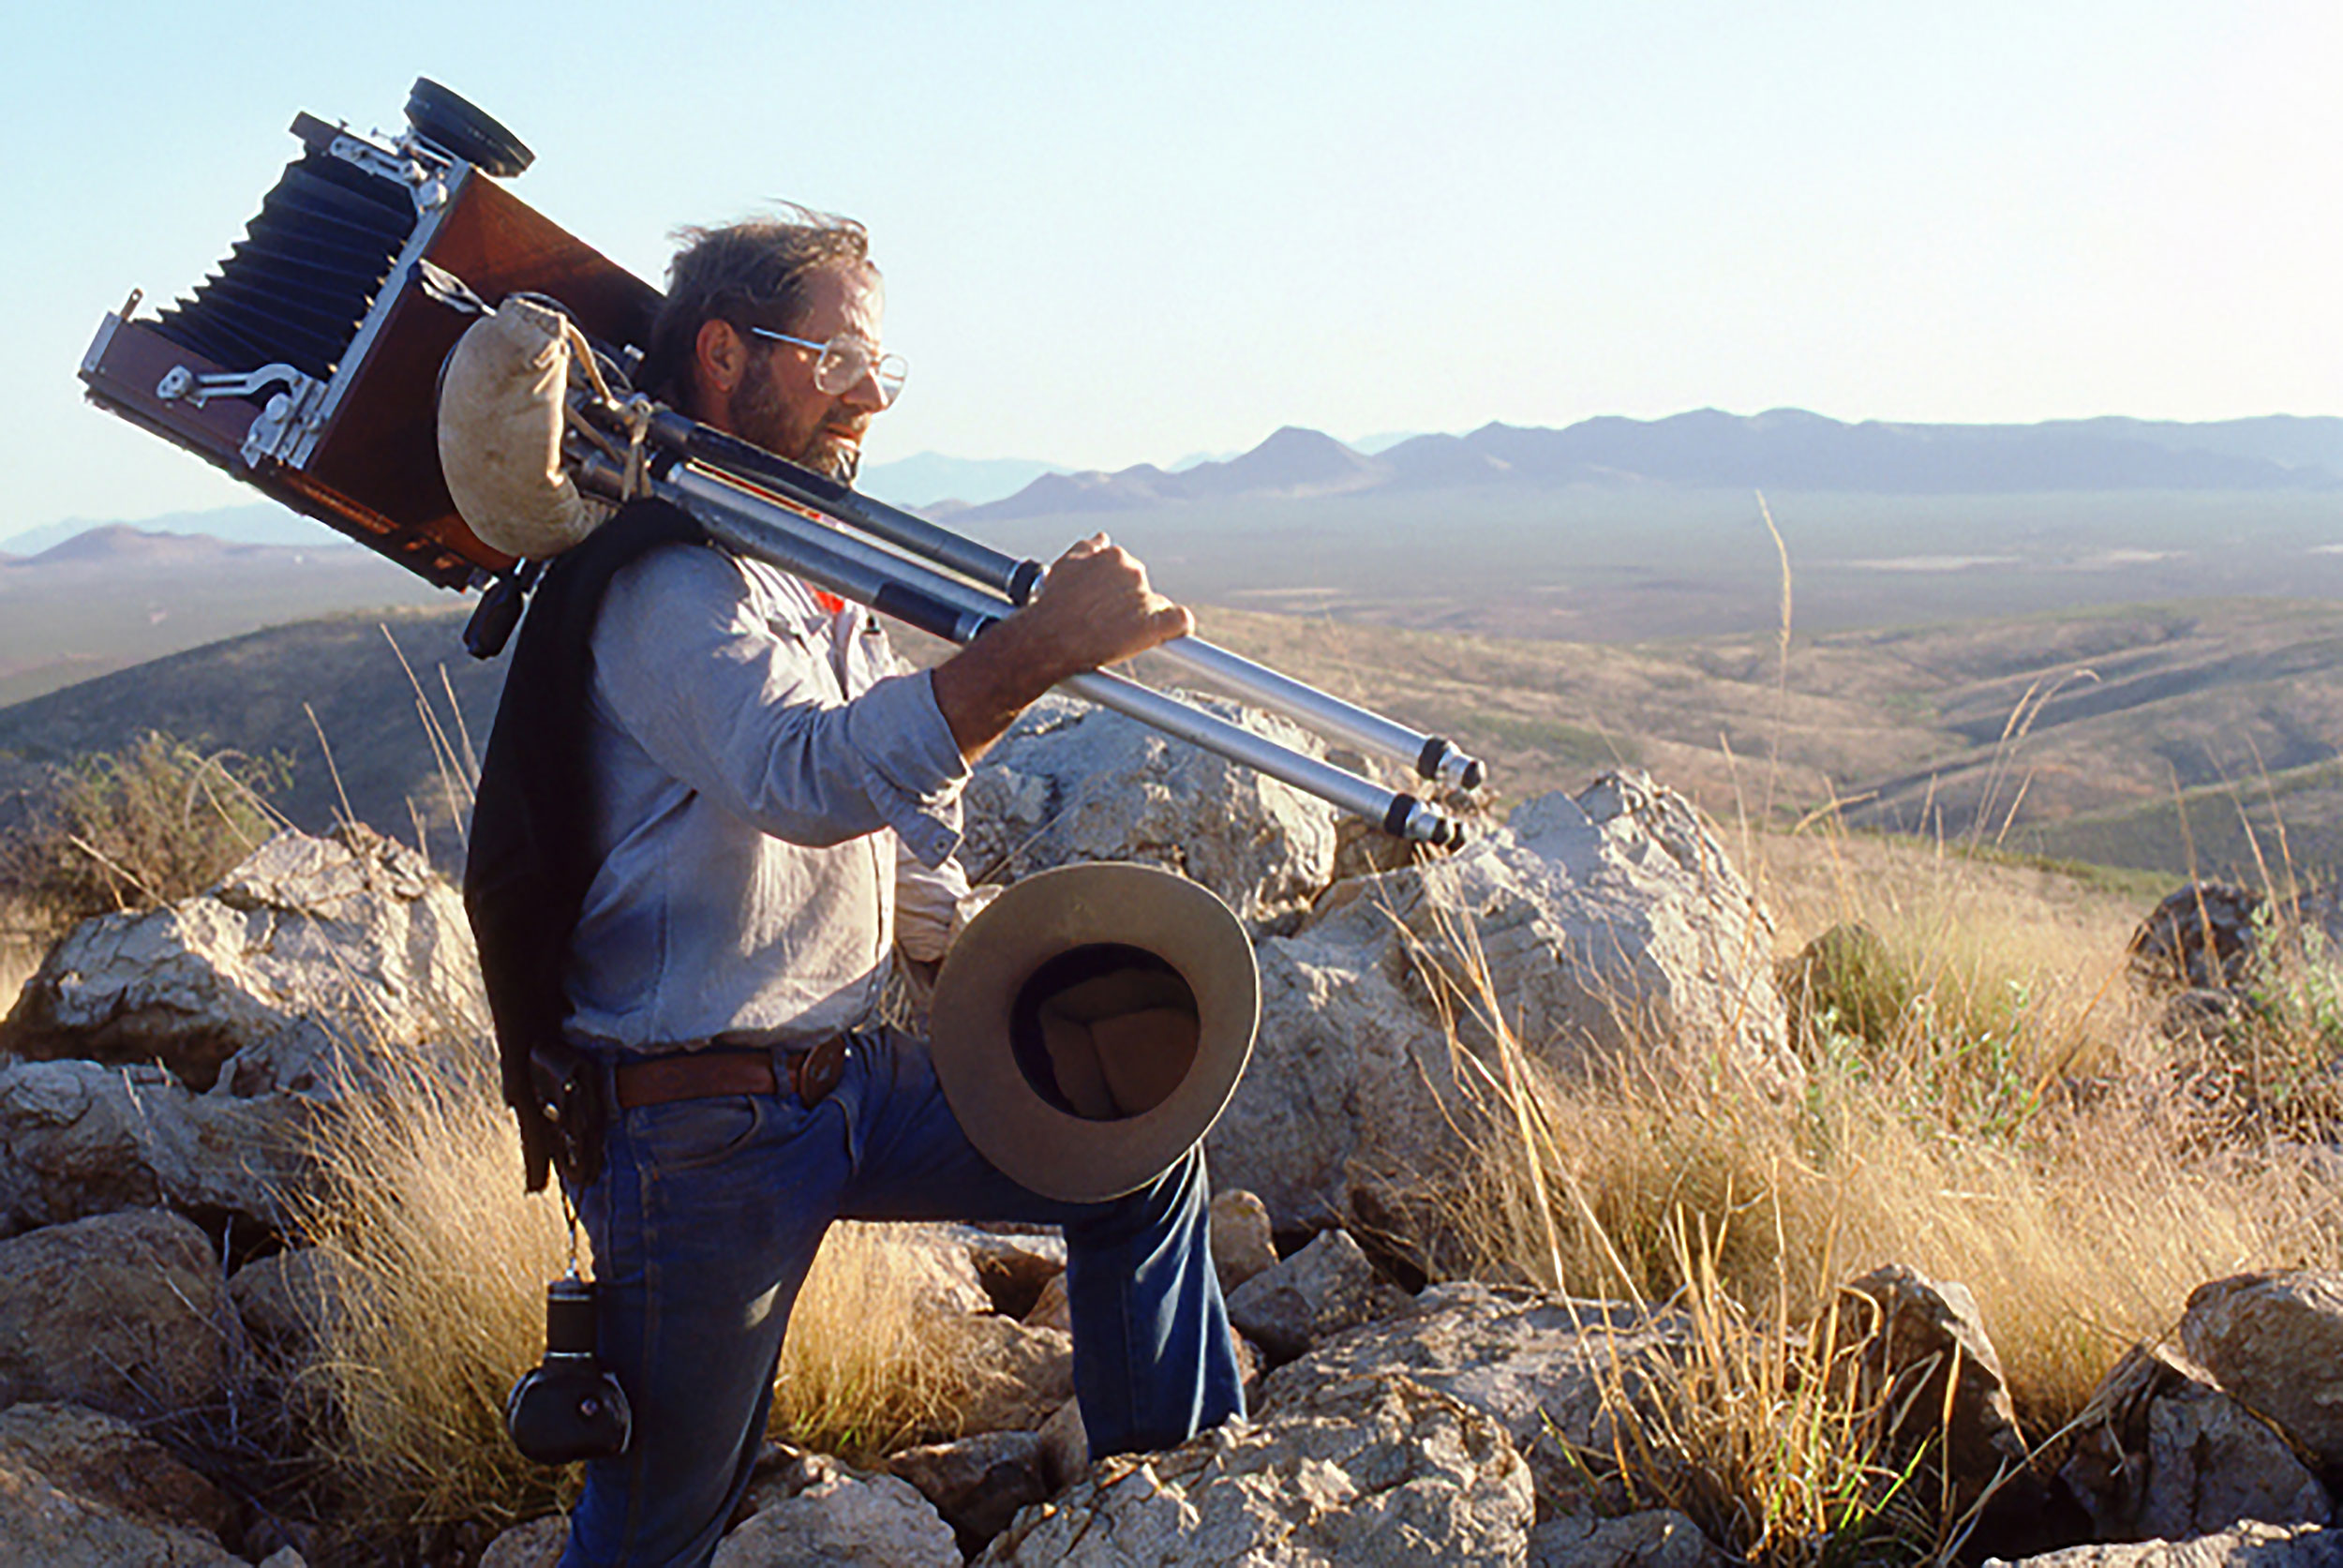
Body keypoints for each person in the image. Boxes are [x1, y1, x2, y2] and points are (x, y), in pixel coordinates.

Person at [536, 211, 1246, 1566]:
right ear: (728, 354)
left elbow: (889, 803)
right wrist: (1024, 659)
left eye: (882, 367)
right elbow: (802, 773)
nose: (868, 396)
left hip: (847, 1077)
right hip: (699, 1128)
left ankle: (1170, 1524)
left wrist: (951, 939)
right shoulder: (663, 582)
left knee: (1129, 1143)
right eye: (838, 358)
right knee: (653, 1523)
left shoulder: (811, 573)